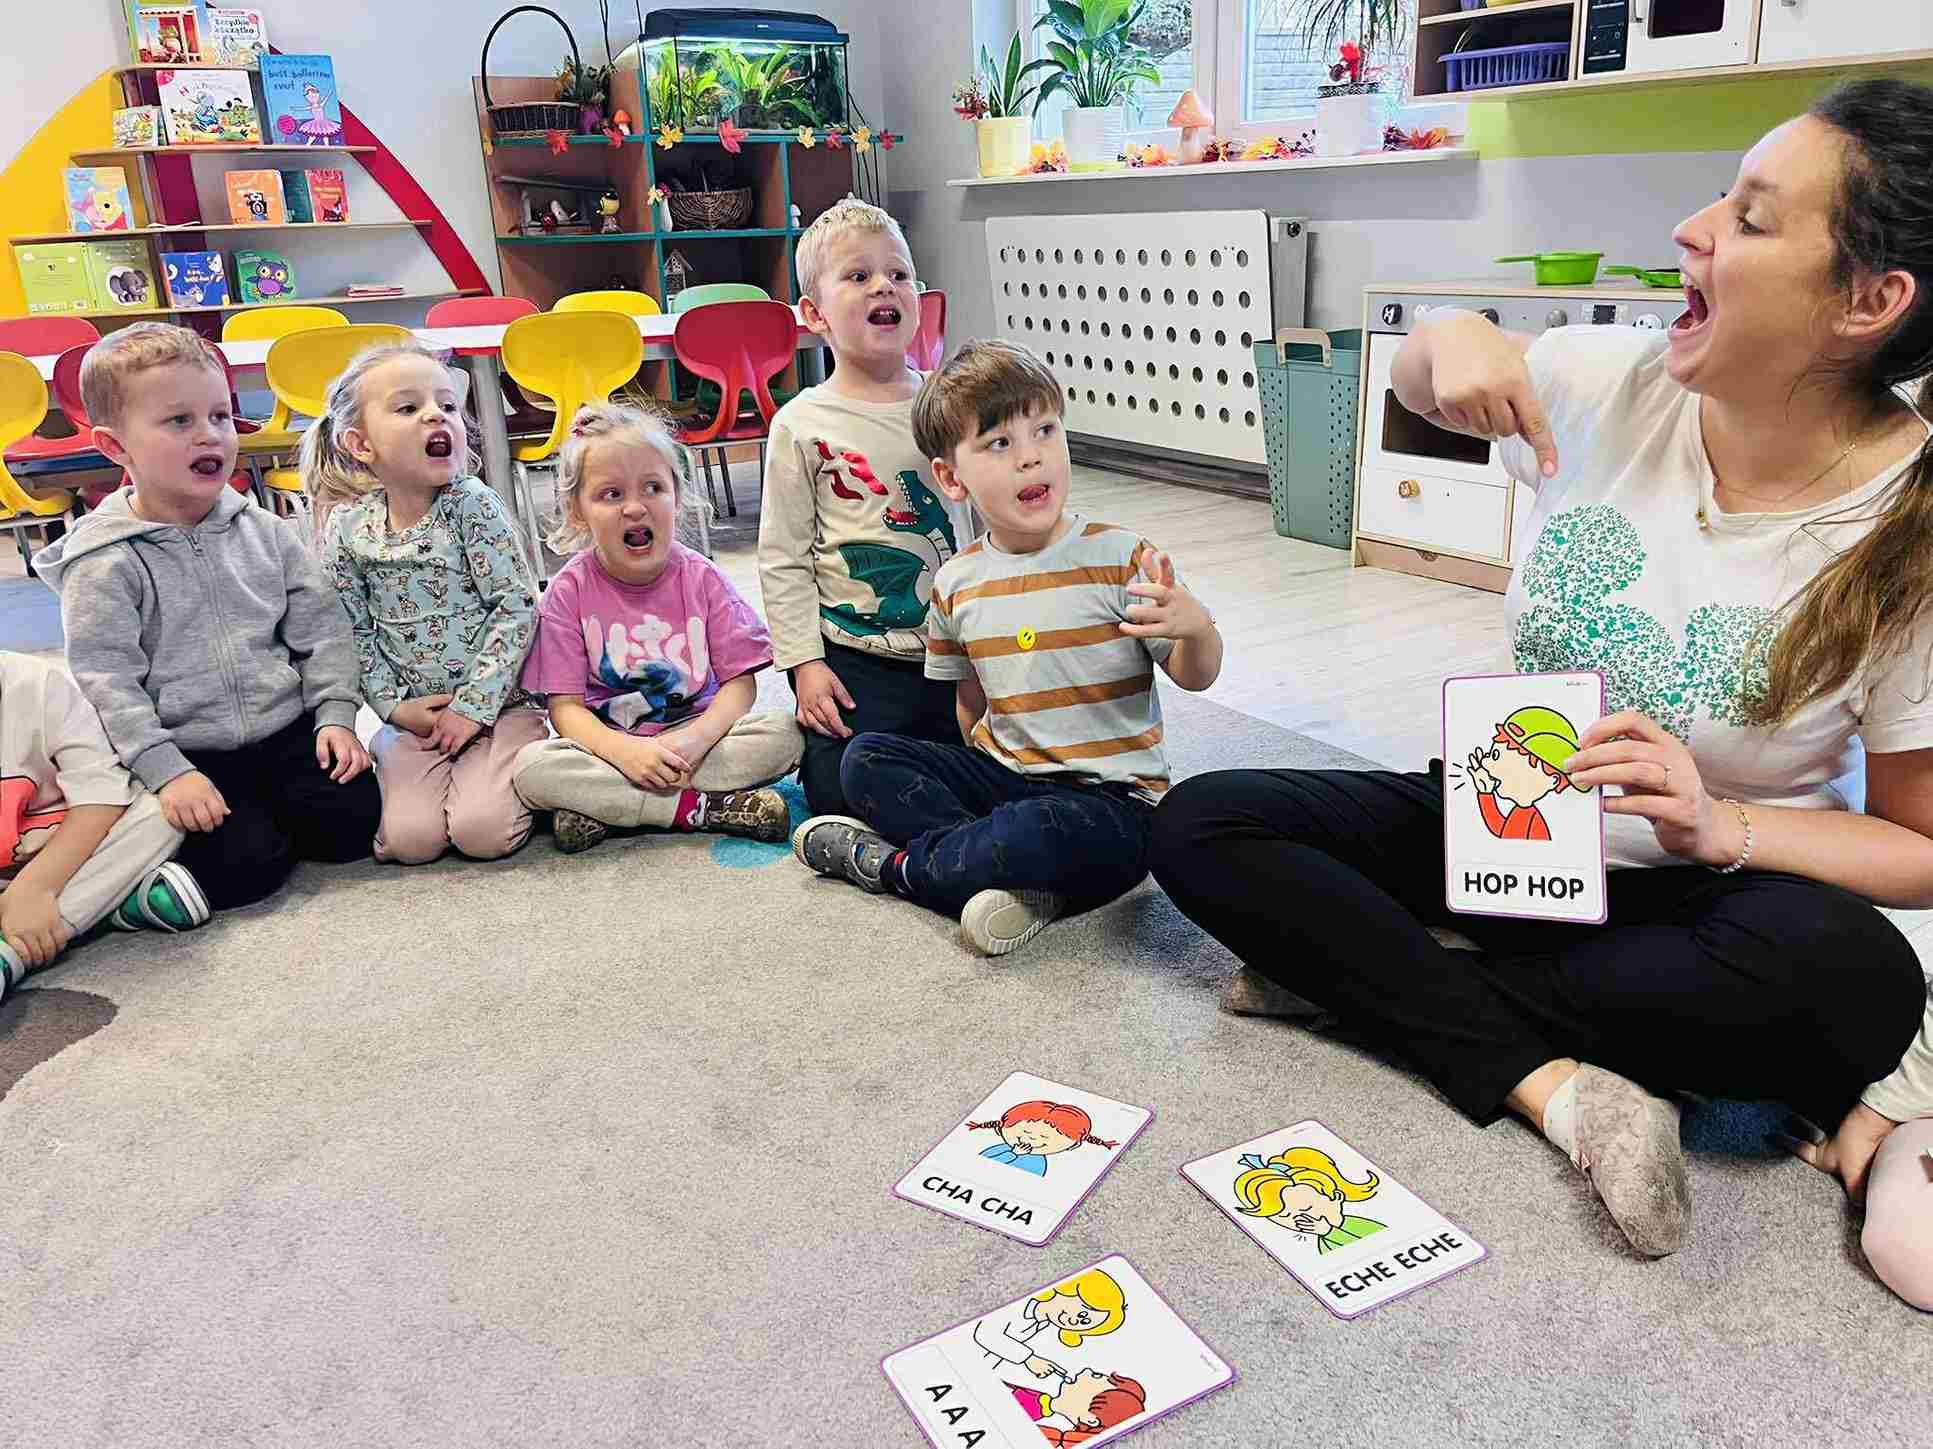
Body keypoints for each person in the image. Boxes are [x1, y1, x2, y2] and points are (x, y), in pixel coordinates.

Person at [1152, 79, 1933, 1272]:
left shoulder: (1909, 532)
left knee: (1858, 984)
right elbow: (1423, 379)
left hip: (1705, 900)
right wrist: (1444, 335)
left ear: (1867, 303)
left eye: (1750, 218)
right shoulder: (1604, 379)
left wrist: (1717, 825)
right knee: (1202, 824)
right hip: (1506, 826)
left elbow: (1918, 850)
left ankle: (1377, 977)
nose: (1691, 229)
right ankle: (1554, 1081)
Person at [792, 341, 1223, 956]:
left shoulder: (1121, 556)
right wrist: (977, 772)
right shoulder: (956, 583)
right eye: (999, 443)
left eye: (1045, 430)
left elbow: (1196, 675)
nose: (1031, 456)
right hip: (1007, 776)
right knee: (866, 757)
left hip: (1112, 804)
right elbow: (969, 702)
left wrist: (1196, 629)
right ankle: (994, 871)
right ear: (951, 478)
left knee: (1036, 830)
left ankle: (900, 869)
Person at [35, 323, 377, 911]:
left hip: (286, 729)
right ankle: (145, 876)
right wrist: (167, 771)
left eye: (220, 416)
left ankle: (271, 813)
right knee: (244, 872)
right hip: (190, 750)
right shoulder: (104, 561)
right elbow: (107, 681)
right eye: (179, 421)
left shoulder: (265, 532)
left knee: (354, 825)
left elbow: (322, 630)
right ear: (116, 447)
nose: (209, 435)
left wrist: (336, 716)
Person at [757, 198, 974, 817]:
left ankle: (948, 824)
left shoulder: (949, 404)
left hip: (956, 650)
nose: (884, 285)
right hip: (857, 657)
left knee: (996, 755)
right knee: (835, 781)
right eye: (858, 275)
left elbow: (985, 522)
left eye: (899, 274)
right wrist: (804, 664)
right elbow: (783, 558)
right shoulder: (800, 424)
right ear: (814, 314)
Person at [512, 405, 799, 852]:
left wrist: (696, 741)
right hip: (611, 750)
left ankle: (614, 810)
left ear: (676, 498)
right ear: (578, 512)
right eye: (611, 494)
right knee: (532, 767)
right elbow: (565, 710)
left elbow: (741, 685)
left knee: (785, 734)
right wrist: (626, 754)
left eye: (653, 488)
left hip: (697, 741)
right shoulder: (567, 592)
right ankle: (702, 808)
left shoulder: (702, 577)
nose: (635, 507)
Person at [311, 342, 546, 865]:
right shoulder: (349, 527)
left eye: (447, 405)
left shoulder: (472, 504)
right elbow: (351, 631)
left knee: (482, 834)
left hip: (500, 708)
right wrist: (392, 707)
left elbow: (516, 606)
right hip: (414, 720)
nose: (436, 415)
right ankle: (416, 766)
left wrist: (473, 707)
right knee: (408, 843)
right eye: (408, 407)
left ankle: (527, 768)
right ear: (360, 444)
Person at [0, 652, 207, 995]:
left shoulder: (38, 683)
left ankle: (11, 949)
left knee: (161, 814)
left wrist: (35, 888)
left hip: (72, 852)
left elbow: (101, 797)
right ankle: (109, 905)